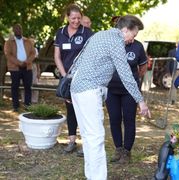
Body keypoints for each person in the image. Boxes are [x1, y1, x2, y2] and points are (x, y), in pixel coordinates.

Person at [70, 15, 151, 179]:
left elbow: (78, 60)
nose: (132, 40)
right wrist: (140, 101)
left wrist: (70, 82)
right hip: (89, 90)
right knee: (96, 137)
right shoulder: (116, 42)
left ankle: (91, 175)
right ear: (125, 30)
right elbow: (126, 74)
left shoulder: (100, 34)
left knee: (87, 136)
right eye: (133, 35)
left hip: (77, 88)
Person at [54, 4, 93, 155]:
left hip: (82, 78)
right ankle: (71, 140)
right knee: (70, 108)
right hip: (66, 77)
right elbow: (57, 56)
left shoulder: (87, 32)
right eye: (73, 18)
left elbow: (91, 56)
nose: (76, 21)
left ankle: (85, 143)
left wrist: (79, 75)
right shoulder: (61, 32)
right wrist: (65, 76)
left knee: (83, 110)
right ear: (67, 17)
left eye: (78, 18)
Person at [106, 36, 148, 164]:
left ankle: (127, 152)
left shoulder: (137, 46)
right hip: (111, 89)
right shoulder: (110, 43)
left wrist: (134, 80)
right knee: (114, 119)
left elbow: (143, 67)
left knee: (129, 120)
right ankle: (118, 149)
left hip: (129, 91)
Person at [4, 24, 36, 112]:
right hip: (15, 68)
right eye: (16, 29)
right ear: (14, 31)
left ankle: (28, 105)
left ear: (22, 30)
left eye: (20, 29)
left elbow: (33, 53)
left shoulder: (28, 41)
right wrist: (19, 63)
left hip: (27, 67)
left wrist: (26, 62)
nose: (18, 30)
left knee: (28, 87)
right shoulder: (9, 42)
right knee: (15, 87)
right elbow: (8, 54)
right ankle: (15, 106)